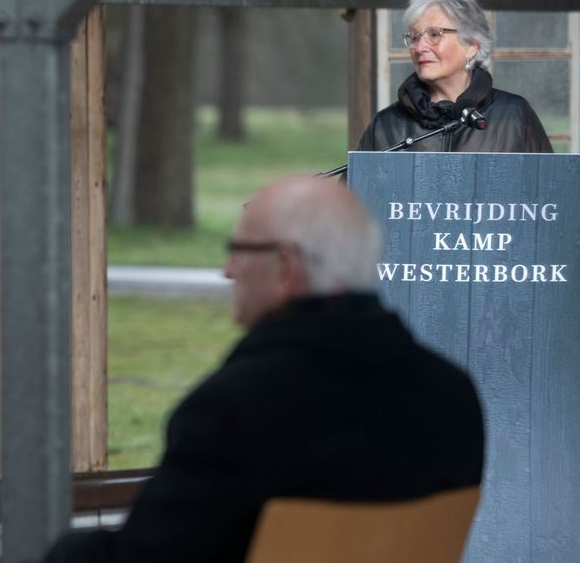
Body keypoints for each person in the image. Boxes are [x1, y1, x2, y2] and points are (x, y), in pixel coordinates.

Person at [45, 176, 485, 563]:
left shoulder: (237, 407)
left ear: (286, 266)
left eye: (238, 250)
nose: (227, 270)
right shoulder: (453, 395)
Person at [356, 0, 553, 153]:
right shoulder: (385, 125)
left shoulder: (514, 115)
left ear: (471, 46)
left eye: (434, 34)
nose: (419, 47)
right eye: (414, 37)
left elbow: (550, 190)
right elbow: (355, 194)